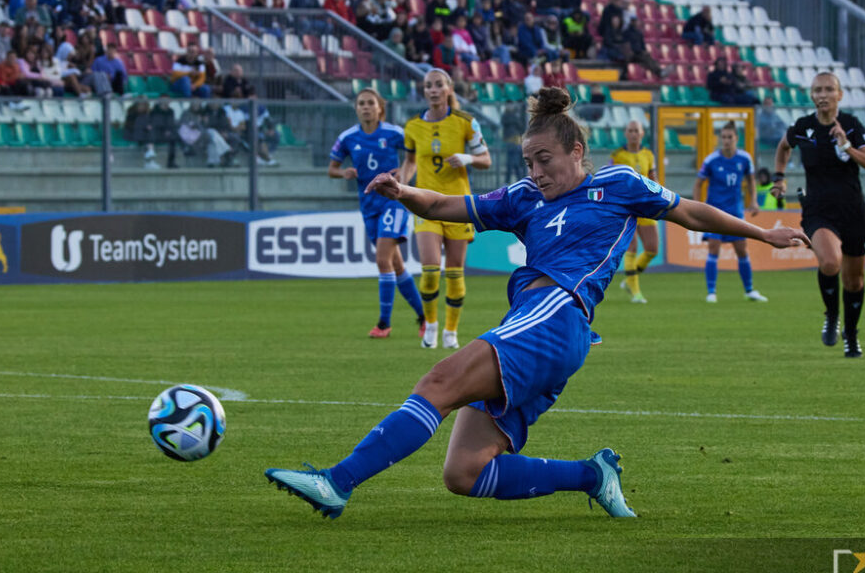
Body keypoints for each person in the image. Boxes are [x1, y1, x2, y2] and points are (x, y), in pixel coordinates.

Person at [264, 87, 809, 521]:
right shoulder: (525, 198)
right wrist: (404, 193)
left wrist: (764, 235)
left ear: (576, 151)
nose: (536, 171)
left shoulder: (618, 183)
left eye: (544, 159)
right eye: (528, 161)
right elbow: (447, 203)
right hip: (539, 327)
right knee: (465, 472)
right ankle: (592, 475)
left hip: (557, 312)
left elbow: (690, 212)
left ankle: (336, 482)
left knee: (437, 384)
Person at [772, 72, 865, 357]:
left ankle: (851, 335)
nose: (822, 94)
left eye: (828, 89)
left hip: (852, 210)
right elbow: (783, 147)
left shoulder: (852, 126)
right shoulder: (802, 127)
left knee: (854, 281)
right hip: (818, 210)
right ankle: (832, 315)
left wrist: (847, 146)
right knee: (831, 262)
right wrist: (779, 178)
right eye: (817, 90)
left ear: (839, 95)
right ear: (811, 95)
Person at [395, 68, 492, 349]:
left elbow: (486, 159)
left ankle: (451, 331)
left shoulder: (465, 122)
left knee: (455, 272)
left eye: (438, 85)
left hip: (458, 205)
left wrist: (467, 158)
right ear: (424, 91)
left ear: (448, 89)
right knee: (428, 269)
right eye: (428, 86)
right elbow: (411, 161)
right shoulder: (413, 126)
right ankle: (431, 326)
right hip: (426, 204)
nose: (433, 90)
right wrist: (401, 183)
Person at [328, 89, 426, 338]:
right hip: (368, 206)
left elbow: (414, 155)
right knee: (396, 264)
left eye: (370, 103)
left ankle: (384, 324)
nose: (365, 107)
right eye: (361, 103)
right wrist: (343, 173)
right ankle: (425, 318)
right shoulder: (348, 137)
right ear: (356, 108)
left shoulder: (393, 133)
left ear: (379, 108)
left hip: (393, 202)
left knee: (382, 260)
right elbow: (332, 169)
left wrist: (404, 175)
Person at [693, 122, 767, 303]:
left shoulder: (744, 158)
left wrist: (754, 201)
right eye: (723, 137)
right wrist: (696, 205)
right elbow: (698, 183)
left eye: (729, 137)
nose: (726, 140)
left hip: (735, 211)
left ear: (736, 138)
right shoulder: (711, 160)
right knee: (713, 248)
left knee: (741, 250)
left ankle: (749, 290)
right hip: (714, 211)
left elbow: (751, 181)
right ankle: (711, 292)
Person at [609, 120, 658, 304]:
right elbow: (610, 178)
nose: (633, 134)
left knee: (652, 249)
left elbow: (653, 178)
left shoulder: (648, 155)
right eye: (630, 131)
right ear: (625, 133)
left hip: (645, 205)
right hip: (626, 207)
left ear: (642, 134)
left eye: (636, 131)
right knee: (632, 247)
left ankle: (630, 279)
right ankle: (636, 293)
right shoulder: (618, 155)